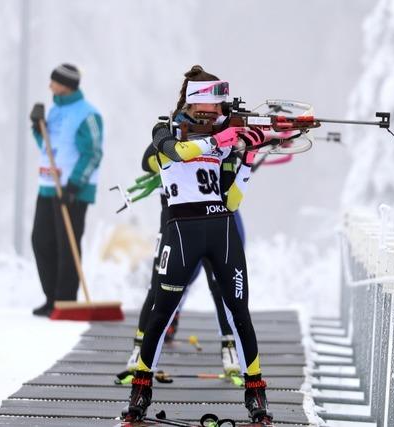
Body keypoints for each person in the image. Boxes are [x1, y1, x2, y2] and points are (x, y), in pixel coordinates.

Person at [123, 65, 296, 424]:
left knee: (239, 314)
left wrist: (247, 158)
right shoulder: (166, 131)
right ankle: (140, 390)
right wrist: (223, 139)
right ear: (200, 105)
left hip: (222, 230)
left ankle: (256, 394)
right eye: (216, 108)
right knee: (162, 312)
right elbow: (179, 153)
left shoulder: (224, 137)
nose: (220, 114)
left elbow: (232, 202)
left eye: (222, 111)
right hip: (182, 231)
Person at [118, 140, 245, 381]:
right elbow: (147, 160)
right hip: (175, 225)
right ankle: (138, 351)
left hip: (214, 221)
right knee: (157, 286)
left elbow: (233, 186)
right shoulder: (175, 133)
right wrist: (180, 156)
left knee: (220, 287)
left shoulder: (222, 136)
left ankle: (230, 349)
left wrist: (237, 155)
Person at [29, 63, 104, 317]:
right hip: (49, 187)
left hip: (73, 190)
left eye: (54, 82)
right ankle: (51, 298)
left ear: (67, 85)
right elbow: (48, 148)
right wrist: (36, 125)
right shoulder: (54, 111)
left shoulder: (87, 114)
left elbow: (93, 153)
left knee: (66, 245)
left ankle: (65, 300)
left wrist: (74, 186)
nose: (50, 86)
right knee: (41, 241)